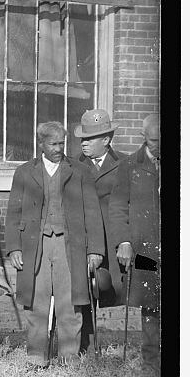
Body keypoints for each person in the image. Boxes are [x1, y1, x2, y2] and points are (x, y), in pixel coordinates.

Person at [5, 122, 104, 368]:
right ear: (41, 144)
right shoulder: (24, 172)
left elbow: (92, 212)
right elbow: (13, 212)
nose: (59, 148)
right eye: (53, 144)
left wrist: (94, 250)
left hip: (70, 246)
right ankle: (37, 356)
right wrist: (14, 247)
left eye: (62, 143)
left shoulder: (79, 171)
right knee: (36, 302)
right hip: (34, 246)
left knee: (70, 303)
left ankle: (69, 357)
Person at [109, 114, 161, 371]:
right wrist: (124, 241)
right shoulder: (130, 165)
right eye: (154, 141)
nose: (158, 146)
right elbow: (118, 206)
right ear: (144, 137)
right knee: (151, 302)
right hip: (145, 247)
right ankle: (152, 363)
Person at [75, 109, 127, 299]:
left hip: (114, 242)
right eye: (82, 139)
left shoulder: (125, 164)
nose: (84, 143)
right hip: (84, 242)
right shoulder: (73, 165)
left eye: (90, 138)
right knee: (83, 298)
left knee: (111, 290)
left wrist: (125, 241)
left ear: (106, 140)